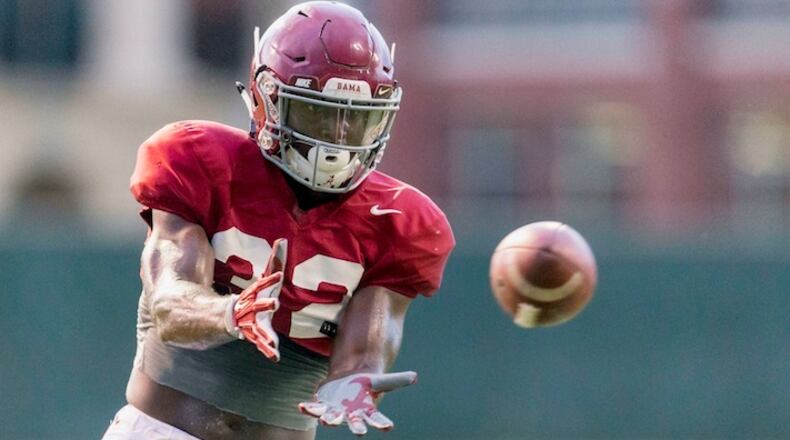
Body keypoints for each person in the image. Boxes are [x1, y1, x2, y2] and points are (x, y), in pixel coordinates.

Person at [101, 2, 455, 439]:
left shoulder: (398, 221)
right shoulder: (201, 161)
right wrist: (230, 311)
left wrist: (355, 380)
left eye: (355, 120)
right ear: (266, 98)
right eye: (320, 114)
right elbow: (171, 302)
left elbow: (368, 347)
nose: (337, 141)